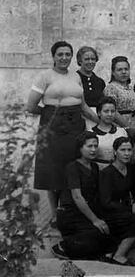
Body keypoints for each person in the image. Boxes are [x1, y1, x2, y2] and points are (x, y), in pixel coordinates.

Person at [26, 41, 99, 227]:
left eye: (68, 54)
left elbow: (82, 105)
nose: (64, 58)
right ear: (53, 56)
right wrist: (52, 116)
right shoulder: (45, 76)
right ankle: (54, 214)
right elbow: (31, 106)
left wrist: (100, 121)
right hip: (54, 128)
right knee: (54, 169)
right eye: (60, 54)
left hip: (76, 126)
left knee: (73, 167)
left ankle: (71, 210)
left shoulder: (76, 76)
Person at [52, 132, 135, 264]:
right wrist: (95, 219)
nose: (94, 149)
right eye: (89, 146)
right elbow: (77, 197)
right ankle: (64, 247)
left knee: (109, 232)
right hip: (70, 214)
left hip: (86, 213)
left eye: (96, 146)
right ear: (80, 148)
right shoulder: (72, 167)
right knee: (98, 234)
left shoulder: (94, 166)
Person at [99, 136, 135, 265]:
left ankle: (118, 248)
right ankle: (119, 255)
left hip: (126, 209)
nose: (127, 153)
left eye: (129, 150)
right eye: (123, 150)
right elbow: (105, 202)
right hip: (110, 212)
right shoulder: (107, 173)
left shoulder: (132, 169)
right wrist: (129, 209)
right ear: (115, 152)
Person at [103, 55, 135, 140]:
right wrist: (127, 127)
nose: (124, 72)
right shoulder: (111, 88)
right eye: (119, 70)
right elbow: (112, 110)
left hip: (134, 125)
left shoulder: (131, 88)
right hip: (119, 125)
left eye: (126, 69)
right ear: (113, 72)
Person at [91, 96, 128, 169]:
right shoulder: (91, 134)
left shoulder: (122, 132)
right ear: (99, 113)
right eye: (106, 111)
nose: (110, 114)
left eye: (112, 111)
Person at [76, 46, 105, 129]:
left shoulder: (100, 81)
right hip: (80, 120)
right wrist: (101, 123)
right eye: (87, 59)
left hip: (98, 121)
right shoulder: (74, 78)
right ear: (80, 61)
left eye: (93, 59)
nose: (90, 62)